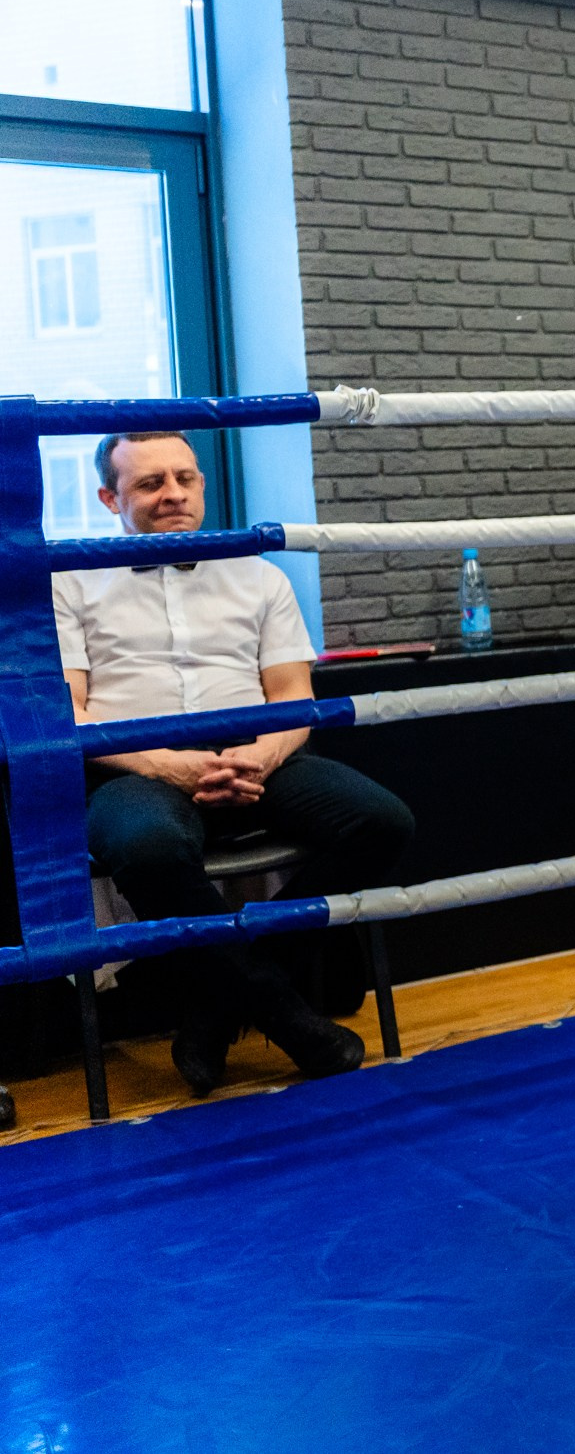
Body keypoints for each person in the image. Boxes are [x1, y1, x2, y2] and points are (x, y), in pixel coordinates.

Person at [56, 431, 415, 1097]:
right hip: (133, 768)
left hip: (258, 757)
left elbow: (293, 696)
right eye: (150, 483)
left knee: (383, 821)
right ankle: (284, 1014)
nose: (174, 494)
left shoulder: (257, 572)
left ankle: (223, 1008)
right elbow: (71, 713)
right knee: (147, 845)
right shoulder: (69, 577)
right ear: (109, 497)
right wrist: (173, 767)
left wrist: (255, 756)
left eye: (185, 478)